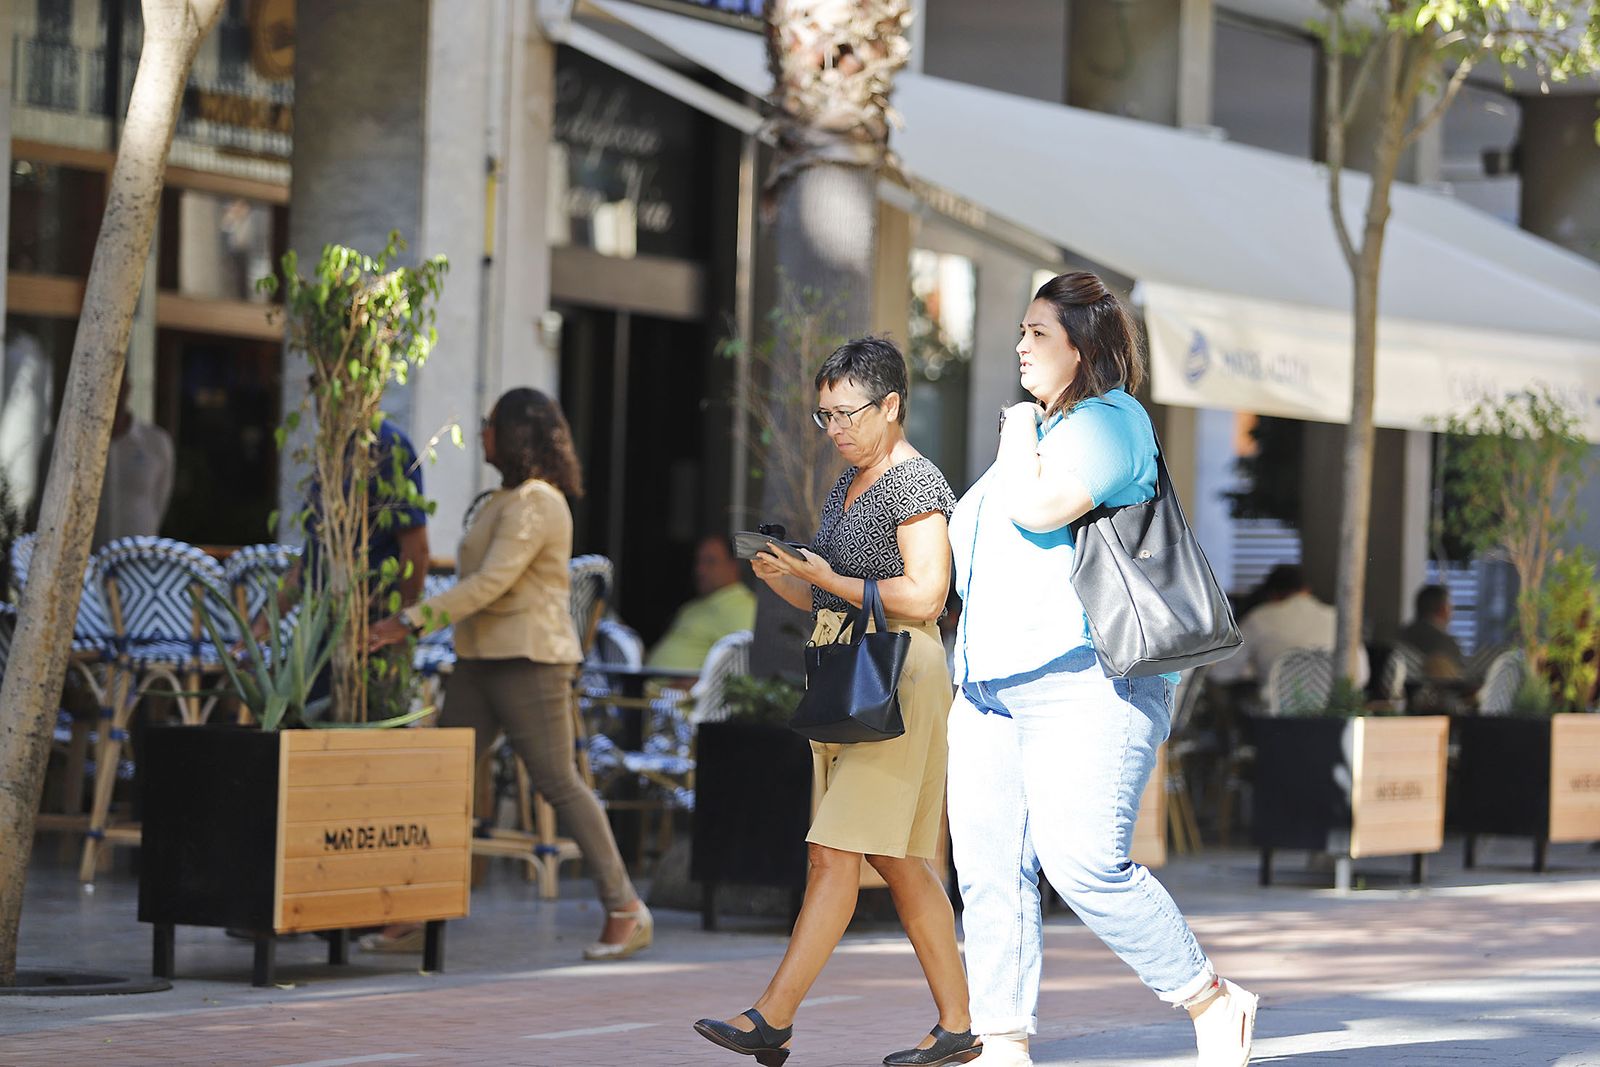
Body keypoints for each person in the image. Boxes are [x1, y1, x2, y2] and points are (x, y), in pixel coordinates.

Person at [946, 272, 1257, 1067]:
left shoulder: (1113, 423)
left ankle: (1209, 997)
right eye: (1020, 331)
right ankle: (1002, 1040)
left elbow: (1039, 508)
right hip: (986, 687)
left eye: (1038, 332)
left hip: (1085, 676)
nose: (1020, 345)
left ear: (1083, 347)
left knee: (1083, 861)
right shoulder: (1041, 437)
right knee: (987, 873)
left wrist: (1018, 426)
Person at [694, 338, 977, 1067]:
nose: (835, 430)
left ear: (891, 405)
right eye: (825, 416)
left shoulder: (915, 483)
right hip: (852, 675)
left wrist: (834, 580)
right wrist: (783, 573)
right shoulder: (848, 483)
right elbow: (827, 587)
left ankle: (773, 1017)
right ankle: (956, 1024)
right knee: (902, 859)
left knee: (831, 854)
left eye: (846, 414)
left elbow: (927, 594)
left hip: (897, 680)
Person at [369, 387, 651, 962]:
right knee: (443, 782)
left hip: (528, 662)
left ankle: (626, 908)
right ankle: (417, 913)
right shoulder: (502, 499)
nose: (482, 434)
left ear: (517, 434)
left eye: (490, 424)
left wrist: (410, 620)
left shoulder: (537, 501)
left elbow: (492, 581)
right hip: (479, 662)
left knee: (559, 782)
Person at [1209, 564, 1370, 691]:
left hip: (1279, 720)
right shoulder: (1339, 619)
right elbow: (1361, 675)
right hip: (1336, 714)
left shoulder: (1260, 618)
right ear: (1307, 590)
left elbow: (1221, 673)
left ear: (1272, 595)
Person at [645, 533, 756, 673]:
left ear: (733, 566)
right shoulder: (691, 607)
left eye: (710, 562)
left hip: (689, 694)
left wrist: (698, 683)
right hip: (650, 688)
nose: (700, 570)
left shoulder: (742, 605)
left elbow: (747, 662)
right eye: (698, 562)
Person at [93, 374, 175, 548]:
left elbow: (160, 500)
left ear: (127, 387)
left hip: (138, 559)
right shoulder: (69, 441)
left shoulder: (156, 442)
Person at [1397, 583, 1466, 679]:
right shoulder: (1446, 643)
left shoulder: (1400, 635)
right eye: (1450, 606)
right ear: (1444, 609)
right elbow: (1459, 679)